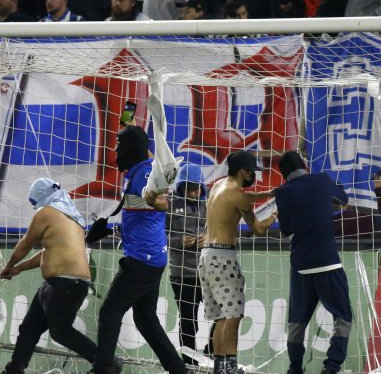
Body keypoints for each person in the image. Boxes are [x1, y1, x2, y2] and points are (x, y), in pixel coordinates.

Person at [92, 126, 187, 374]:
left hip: (141, 261)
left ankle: (103, 369)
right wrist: (110, 230)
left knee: (110, 311)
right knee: (145, 319)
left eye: (118, 145)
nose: (115, 150)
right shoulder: (137, 171)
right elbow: (139, 217)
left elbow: (160, 201)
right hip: (149, 257)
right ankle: (178, 369)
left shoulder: (145, 172)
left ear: (130, 148)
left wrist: (155, 199)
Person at [0, 178, 100, 374]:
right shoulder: (72, 217)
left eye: (34, 202)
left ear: (41, 197)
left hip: (66, 284)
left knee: (61, 332)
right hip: (59, 285)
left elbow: (26, 244)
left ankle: (107, 364)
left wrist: (9, 265)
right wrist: (19, 269)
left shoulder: (46, 212)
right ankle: (14, 370)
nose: (34, 207)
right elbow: (48, 251)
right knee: (29, 329)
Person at [200, 150, 276, 374]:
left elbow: (250, 197)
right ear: (243, 172)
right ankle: (231, 368)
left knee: (221, 317)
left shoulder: (218, 186)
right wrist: (276, 214)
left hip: (207, 256)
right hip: (223, 258)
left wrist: (269, 193)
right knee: (233, 316)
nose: (254, 176)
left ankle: (219, 367)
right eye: (252, 172)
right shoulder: (237, 194)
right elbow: (258, 229)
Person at [274, 151, 351, 374]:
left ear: (284, 173)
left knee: (297, 322)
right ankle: (332, 366)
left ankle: (295, 369)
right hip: (328, 261)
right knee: (343, 317)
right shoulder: (322, 180)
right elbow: (343, 201)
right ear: (304, 165)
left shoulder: (282, 192)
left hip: (300, 264)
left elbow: (286, 229)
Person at [166, 163, 207, 365]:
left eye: (197, 187)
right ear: (180, 186)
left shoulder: (208, 206)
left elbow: (223, 232)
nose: (194, 192)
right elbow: (159, 236)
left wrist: (208, 238)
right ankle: (190, 365)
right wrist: (178, 241)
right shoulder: (169, 205)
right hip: (182, 275)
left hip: (208, 273)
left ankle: (209, 356)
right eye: (189, 187)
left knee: (226, 316)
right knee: (189, 323)